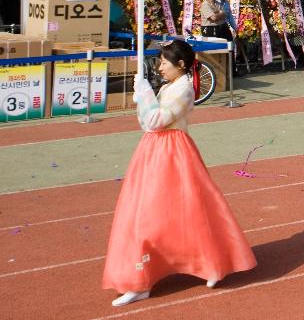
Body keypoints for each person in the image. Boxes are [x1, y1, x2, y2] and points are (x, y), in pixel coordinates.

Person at [102, 40, 256, 306]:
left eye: (164, 63)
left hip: (173, 153)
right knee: (149, 213)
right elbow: (146, 124)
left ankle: (209, 264)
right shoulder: (168, 86)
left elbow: (156, 121)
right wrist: (144, 97)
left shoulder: (184, 89)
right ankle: (142, 278)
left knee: (187, 211)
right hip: (153, 151)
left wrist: (146, 94)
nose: (160, 67)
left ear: (181, 65)